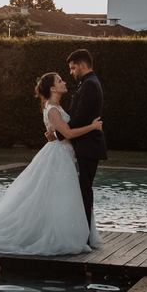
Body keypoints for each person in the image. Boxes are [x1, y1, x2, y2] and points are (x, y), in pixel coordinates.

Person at [0, 72, 103, 256]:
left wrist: (58, 134)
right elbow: (68, 134)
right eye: (60, 81)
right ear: (52, 88)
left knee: (59, 197)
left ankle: (67, 231)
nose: (64, 82)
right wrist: (92, 127)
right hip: (59, 156)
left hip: (64, 155)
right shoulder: (52, 109)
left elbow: (62, 132)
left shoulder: (55, 107)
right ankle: (56, 234)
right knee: (58, 195)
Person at [48, 49, 106, 240]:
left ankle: (85, 235)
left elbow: (80, 117)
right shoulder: (88, 83)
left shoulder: (89, 84)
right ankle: (82, 233)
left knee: (84, 191)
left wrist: (57, 134)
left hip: (88, 147)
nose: (71, 72)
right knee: (81, 191)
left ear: (82, 65)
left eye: (73, 68)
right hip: (84, 146)